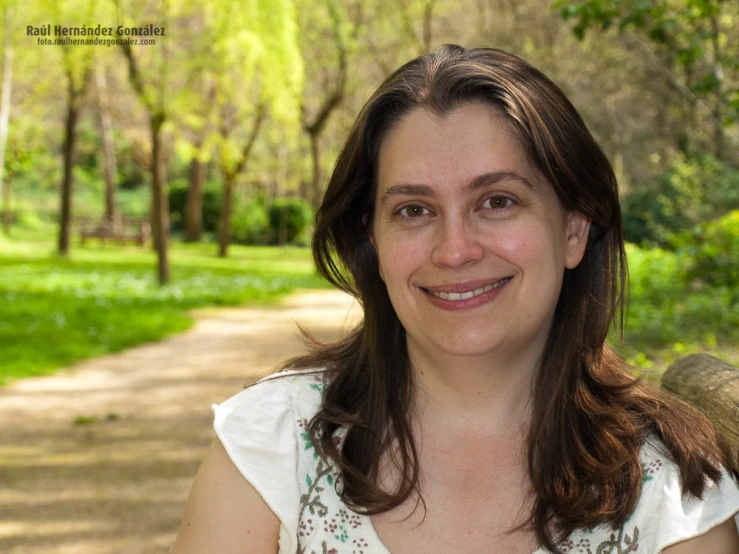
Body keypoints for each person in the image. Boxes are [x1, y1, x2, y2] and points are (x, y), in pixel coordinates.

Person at [171, 45, 739, 554]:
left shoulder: (670, 495)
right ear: (374, 237)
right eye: (413, 210)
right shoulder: (272, 448)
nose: (455, 250)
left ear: (572, 229)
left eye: (497, 201)